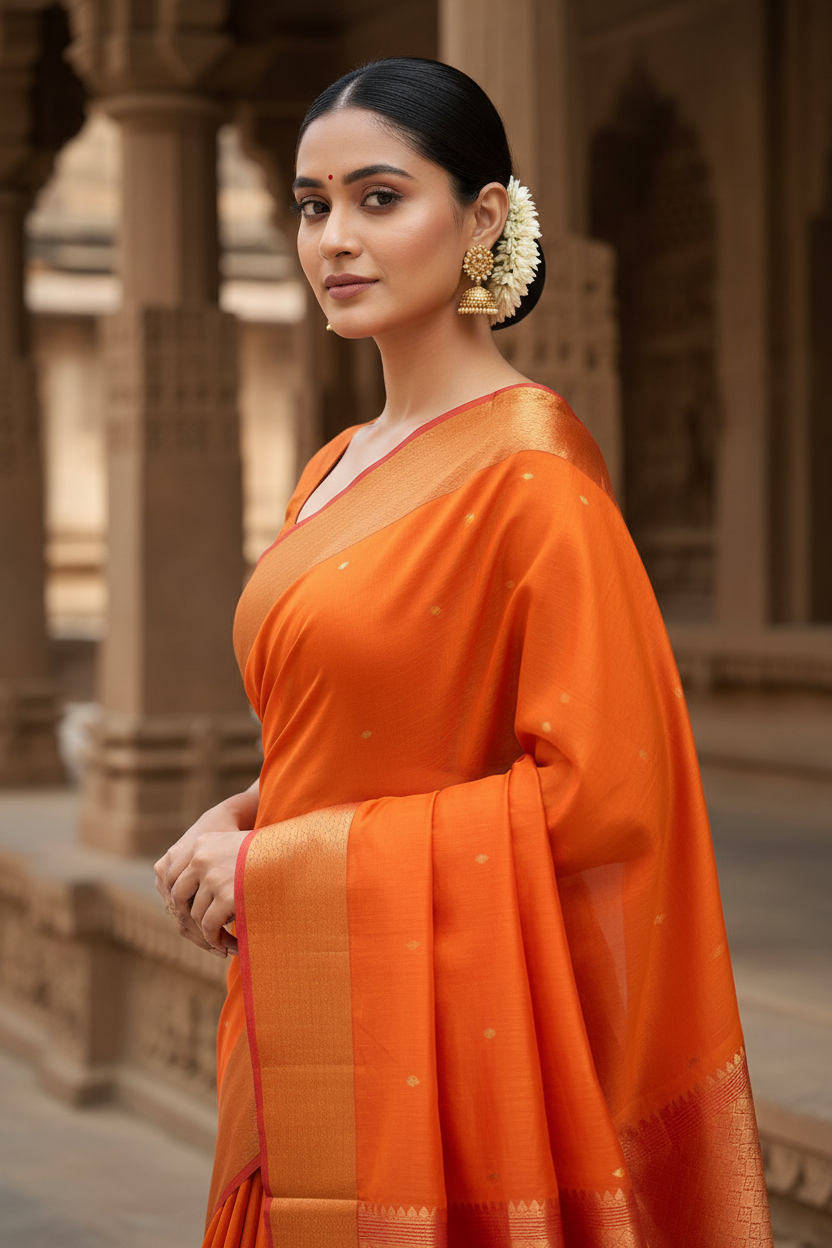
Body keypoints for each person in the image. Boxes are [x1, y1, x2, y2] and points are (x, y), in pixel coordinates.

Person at [155, 57, 773, 1248]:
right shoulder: (333, 465)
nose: (335, 236)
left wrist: (279, 870)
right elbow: (356, 736)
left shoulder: (533, 475)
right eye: (312, 203)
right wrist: (242, 817)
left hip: (438, 1054)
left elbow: (603, 800)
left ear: (483, 215)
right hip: (305, 1000)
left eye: (379, 198)